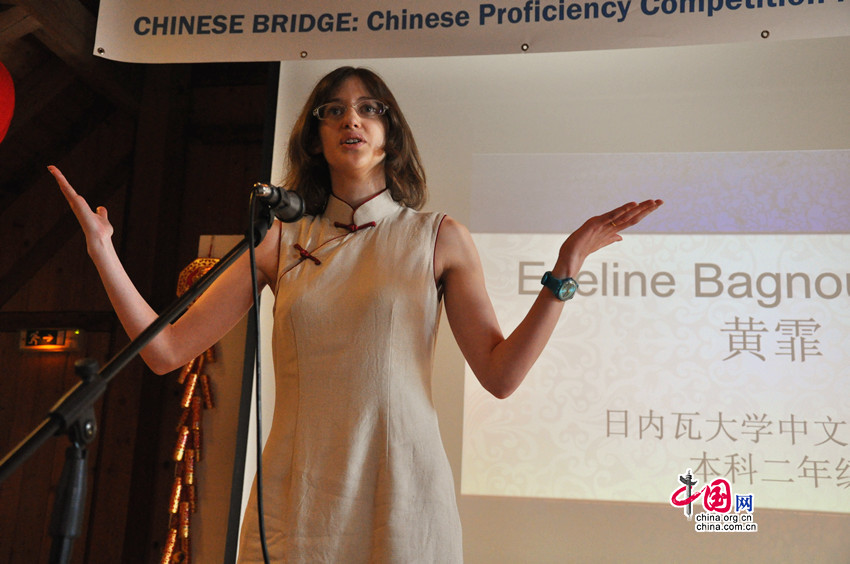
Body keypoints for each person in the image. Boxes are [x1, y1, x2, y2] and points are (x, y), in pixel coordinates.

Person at [49, 66, 662, 563]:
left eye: (369, 108)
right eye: (334, 109)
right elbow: (165, 352)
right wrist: (102, 251)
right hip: (297, 499)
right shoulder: (278, 241)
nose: (351, 118)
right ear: (315, 138)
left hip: (403, 499)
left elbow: (501, 376)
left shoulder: (436, 236)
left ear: (390, 133)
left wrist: (567, 266)